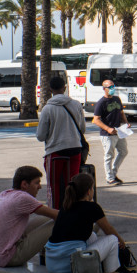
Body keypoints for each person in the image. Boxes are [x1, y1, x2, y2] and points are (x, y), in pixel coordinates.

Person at [45, 171, 129, 273]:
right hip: (72, 266)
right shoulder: (92, 207)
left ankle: (95, 271)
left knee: (92, 235)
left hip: (52, 265)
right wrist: (121, 241)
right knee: (112, 240)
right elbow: (108, 229)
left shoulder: (66, 207)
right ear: (89, 191)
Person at [0, 165, 58, 268]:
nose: (40, 187)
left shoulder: (5, 193)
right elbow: (57, 215)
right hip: (8, 258)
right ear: (24, 184)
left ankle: (45, 256)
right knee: (58, 223)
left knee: (47, 219)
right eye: (37, 183)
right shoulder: (23, 198)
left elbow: (49, 215)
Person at [36, 74, 87, 209]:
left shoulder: (47, 109)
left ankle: (56, 215)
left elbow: (40, 135)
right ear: (65, 87)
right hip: (75, 149)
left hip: (55, 152)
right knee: (73, 185)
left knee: (54, 187)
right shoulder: (76, 105)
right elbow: (82, 128)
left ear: (51, 89)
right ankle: (73, 212)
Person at [91, 77, 127, 186]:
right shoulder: (101, 103)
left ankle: (113, 172)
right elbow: (95, 120)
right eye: (110, 87)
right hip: (107, 134)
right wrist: (108, 129)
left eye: (113, 86)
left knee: (124, 151)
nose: (112, 88)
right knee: (109, 155)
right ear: (104, 88)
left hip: (119, 131)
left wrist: (126, 123)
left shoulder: (116, 99)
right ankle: (109, 178)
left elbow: (121, 113)